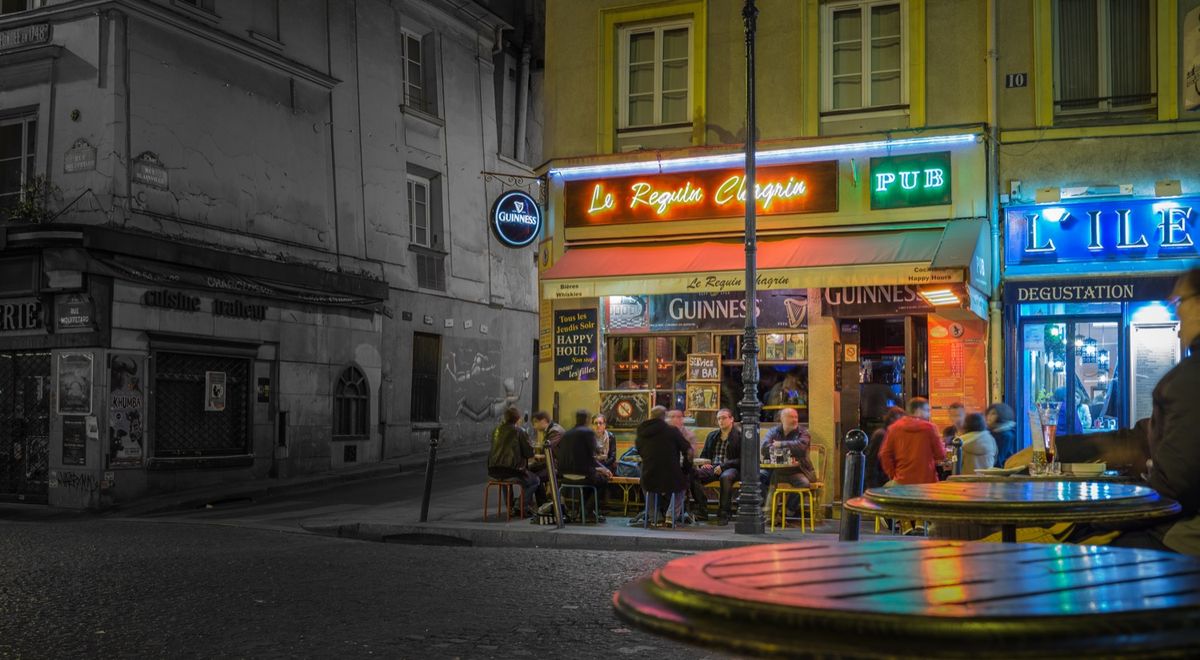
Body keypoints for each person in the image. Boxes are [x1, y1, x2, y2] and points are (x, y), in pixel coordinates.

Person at [1117, 267, 1200, 554]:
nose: (1177, 316)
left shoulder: (1188, 381)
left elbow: (1174, 489)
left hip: (1184, 536)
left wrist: (1104, 518)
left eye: (1179, 302)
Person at [636, 405, 692, 523]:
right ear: (664, 417)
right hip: (671, 475)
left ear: (651, 416)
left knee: (647, 487)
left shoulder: (641, 432)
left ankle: (654, 517)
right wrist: (686, 468)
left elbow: (639, 451)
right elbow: (688, 450)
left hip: (649, 474)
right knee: (681, 487)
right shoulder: (672, 431)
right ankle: (670, 517)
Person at [760, 407, 816, 517]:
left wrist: (780, 444)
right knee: (759, 477)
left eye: (796, 417)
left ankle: (788, 510)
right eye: (791, 417)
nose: (795, 420)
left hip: (795, 471)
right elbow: (764, 448)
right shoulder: (773, 431)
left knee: (804, 483)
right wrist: (788, 448)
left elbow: (801, 447)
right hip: (774, 469)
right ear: (782, 418)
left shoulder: (803, 432)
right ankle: (768, 509)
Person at [690, 408, 742, 525]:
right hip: (713, 467)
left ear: (731, 419)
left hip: (731, 468)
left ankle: (724, 513)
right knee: (693, 474)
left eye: (724, 418)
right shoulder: (712, 435)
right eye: (718, 418)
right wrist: (705, 463)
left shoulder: (739, 436)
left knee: (726, 477)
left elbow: (742, 459)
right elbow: (704, 455)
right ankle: (702, 510)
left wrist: (723, 466)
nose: (721, 421)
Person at [557, 410, 611, 522]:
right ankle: (587, 512)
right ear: (587, 420)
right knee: (603, 480)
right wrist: (603, 469)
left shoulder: (567, 433)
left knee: (594, 477)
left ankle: (580, 511)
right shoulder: (587, 433)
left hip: (565, 477)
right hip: (582, 475)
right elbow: (593, 455)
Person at [879, 397, 946, 485]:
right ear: (918, 411)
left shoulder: (894, 428)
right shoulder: (930, 428)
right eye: (927, 410)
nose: (929, 414)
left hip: (902, 481)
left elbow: (884, 454)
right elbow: (940, 455)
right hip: (927, 481)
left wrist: (893, 474)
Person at [486, 406, 540, 515]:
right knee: (535, 481)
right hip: (513, 470)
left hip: (493, 470)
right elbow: (529, 453)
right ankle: (520, 505)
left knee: (506, 481)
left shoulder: (496, 430)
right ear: (517, 418)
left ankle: (510, 508)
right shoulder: (519, 431)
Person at [866, 406, 906, 490]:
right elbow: (872, 462)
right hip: (881, 481)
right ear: (892, 420)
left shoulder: (892, 434)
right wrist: (872, 485)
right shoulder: (881, 435)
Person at [529, 411, 565, 497]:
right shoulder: (550, 430)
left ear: (544, 421)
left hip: (558, 465)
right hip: (552, 462)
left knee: (534, 478)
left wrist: (536, 455)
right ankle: (540, 504)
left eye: (535, 422)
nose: (534, 426)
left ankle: (541, 504)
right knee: (529, 470)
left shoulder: (555, 431)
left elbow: (547, 449)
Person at [986, 402, 1018, 468]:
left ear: (1002, 415)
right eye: (988, 413)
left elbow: (1000, 459)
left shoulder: (1007, 435)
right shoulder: (990, 432)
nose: (989, 416)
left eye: (993, 414)